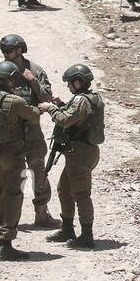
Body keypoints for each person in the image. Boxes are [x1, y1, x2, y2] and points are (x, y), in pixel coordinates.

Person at [0, 60, 39, 261]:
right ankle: (6, 244)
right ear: (11, 80)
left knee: (1, 193)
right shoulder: (15, 101)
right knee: (14, 197)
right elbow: (34, 116)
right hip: (14, 155)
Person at [0, 34, 60, 228]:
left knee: (38, 170)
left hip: (32, 129)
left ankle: (41, 213)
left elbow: (47, 97)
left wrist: (33, 81)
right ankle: (5, 216)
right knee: (10, 173)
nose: (6, 55)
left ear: (19, 49)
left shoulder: (35, 70)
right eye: (4, 52)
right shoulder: (2, 70)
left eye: (9, 51)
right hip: (10, 131)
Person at [42, 64, 104, 248]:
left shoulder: (81, 100)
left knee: (81, 194)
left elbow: (66, 120)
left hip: (81, 153)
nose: (69, 86)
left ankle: (86, 235)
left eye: (70, 83)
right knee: (64, 189)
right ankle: (67, 229)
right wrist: (61, 105)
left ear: (78, 82)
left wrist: (49, 109)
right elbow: (77, 118)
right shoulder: (86, 99)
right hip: (79, 152)